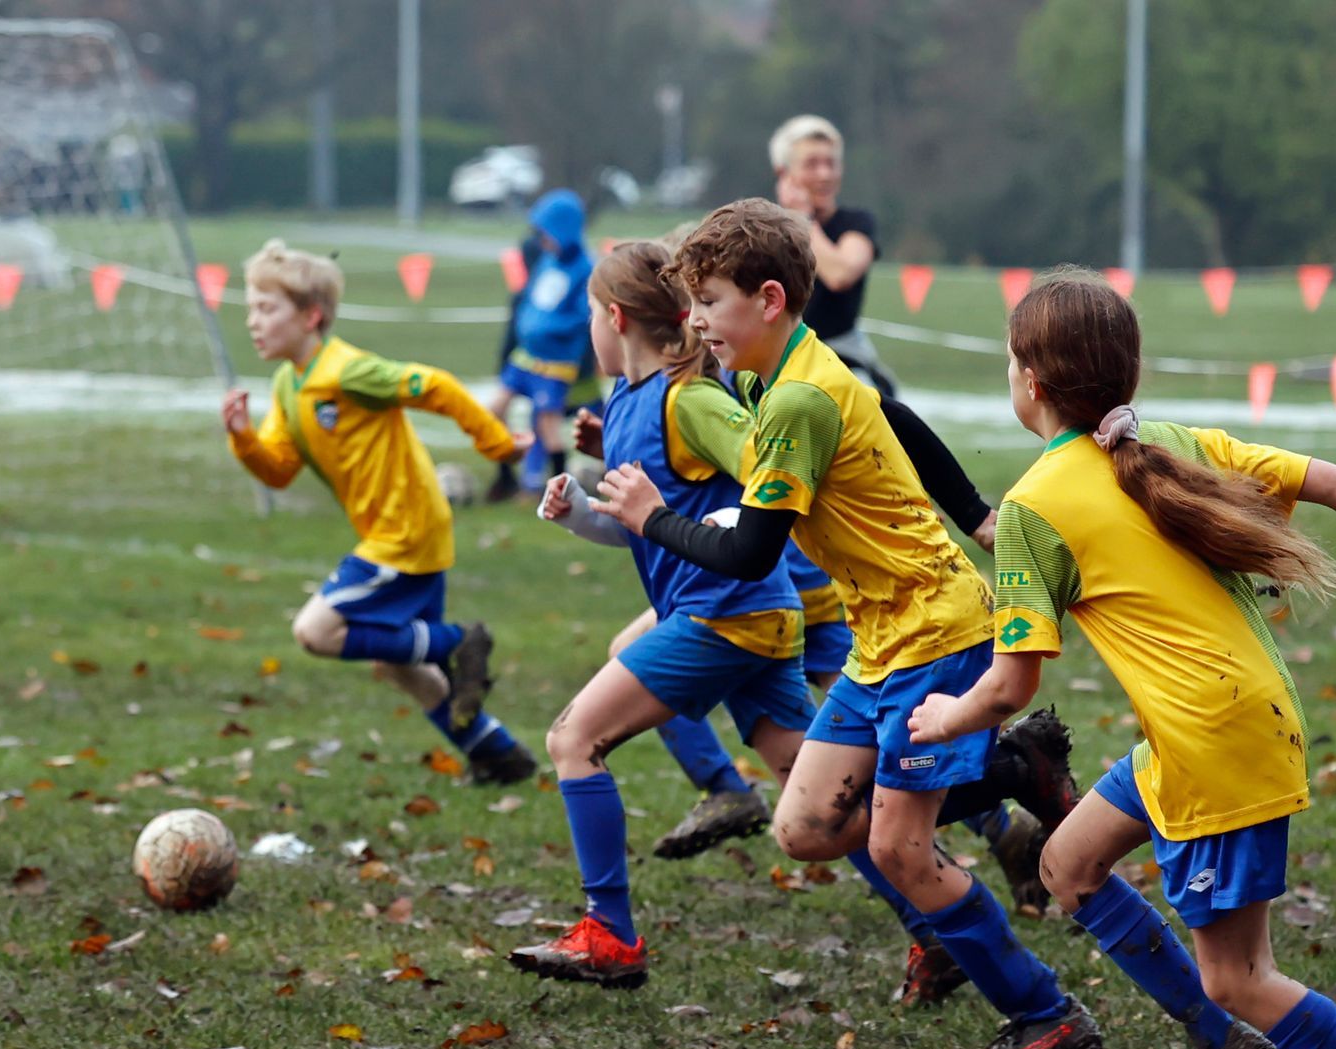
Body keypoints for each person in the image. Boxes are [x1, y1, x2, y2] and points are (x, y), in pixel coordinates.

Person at [906, 267, 1336, 1049]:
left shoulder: (1032, 507)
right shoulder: (1167, 440)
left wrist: (944, 715)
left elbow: (1012, 684)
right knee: (1067, 864)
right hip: (1216, 724)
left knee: (1242, 975)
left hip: (1214, 742)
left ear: (1033, 383)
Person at [591, 200, 1103, 1049]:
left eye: (710, 300)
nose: (697, 320)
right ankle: (1007, 773)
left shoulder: (792, 392)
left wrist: (654, 515)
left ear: (771, 298)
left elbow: (751, 552)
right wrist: (979, 515)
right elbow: (892, 420)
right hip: (877, 637)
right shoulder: (765, 379)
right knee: (805, 827)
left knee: (895, 847)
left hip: (931, 625)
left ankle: (1048, 1017)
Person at [511, 241, 941, 990]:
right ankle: (936, 931)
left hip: (727, 614)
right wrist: (581, 511)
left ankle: (609, 932)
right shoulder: (628, 400)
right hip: (746, 615)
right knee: (825, 804)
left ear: (614, 318)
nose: (589, 330)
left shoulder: (690, 399)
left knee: (573, 737)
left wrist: (726, 530)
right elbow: (645, 521)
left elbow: (777, 469)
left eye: (589, 315)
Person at [220, 239, 536, 785]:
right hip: (399, 532)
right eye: (251, 309)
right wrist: (245, 439)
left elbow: (434, 386)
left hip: (405, 532)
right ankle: (499, 754)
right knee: (398, 665)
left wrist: (496, 444)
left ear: (310, 315)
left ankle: (459, 643)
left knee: (315, 631)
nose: (253, 322)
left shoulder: (347, 373)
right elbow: (279, 469)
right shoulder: (289, 383)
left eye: (267, 309)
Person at [770, 114, 896, 398]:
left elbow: (840, 274)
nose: (825, 174)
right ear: (784, 174)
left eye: (831, 163)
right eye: (812, 164)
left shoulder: (856, 223)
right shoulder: (765, 229)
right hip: (778, 359)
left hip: (845, 360)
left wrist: (803, 219)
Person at [485, 190, 594, 502]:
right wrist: (527, 321)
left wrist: (547, 326)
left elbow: (582, 315)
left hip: (555, 363)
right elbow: (533, 297)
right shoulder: (547, 261)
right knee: (494, 412)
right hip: (525, 357)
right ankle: (506, 478)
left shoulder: (584, 268)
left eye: (546, 231)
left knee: (548, 426)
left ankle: (558, 487)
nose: (541, 239)